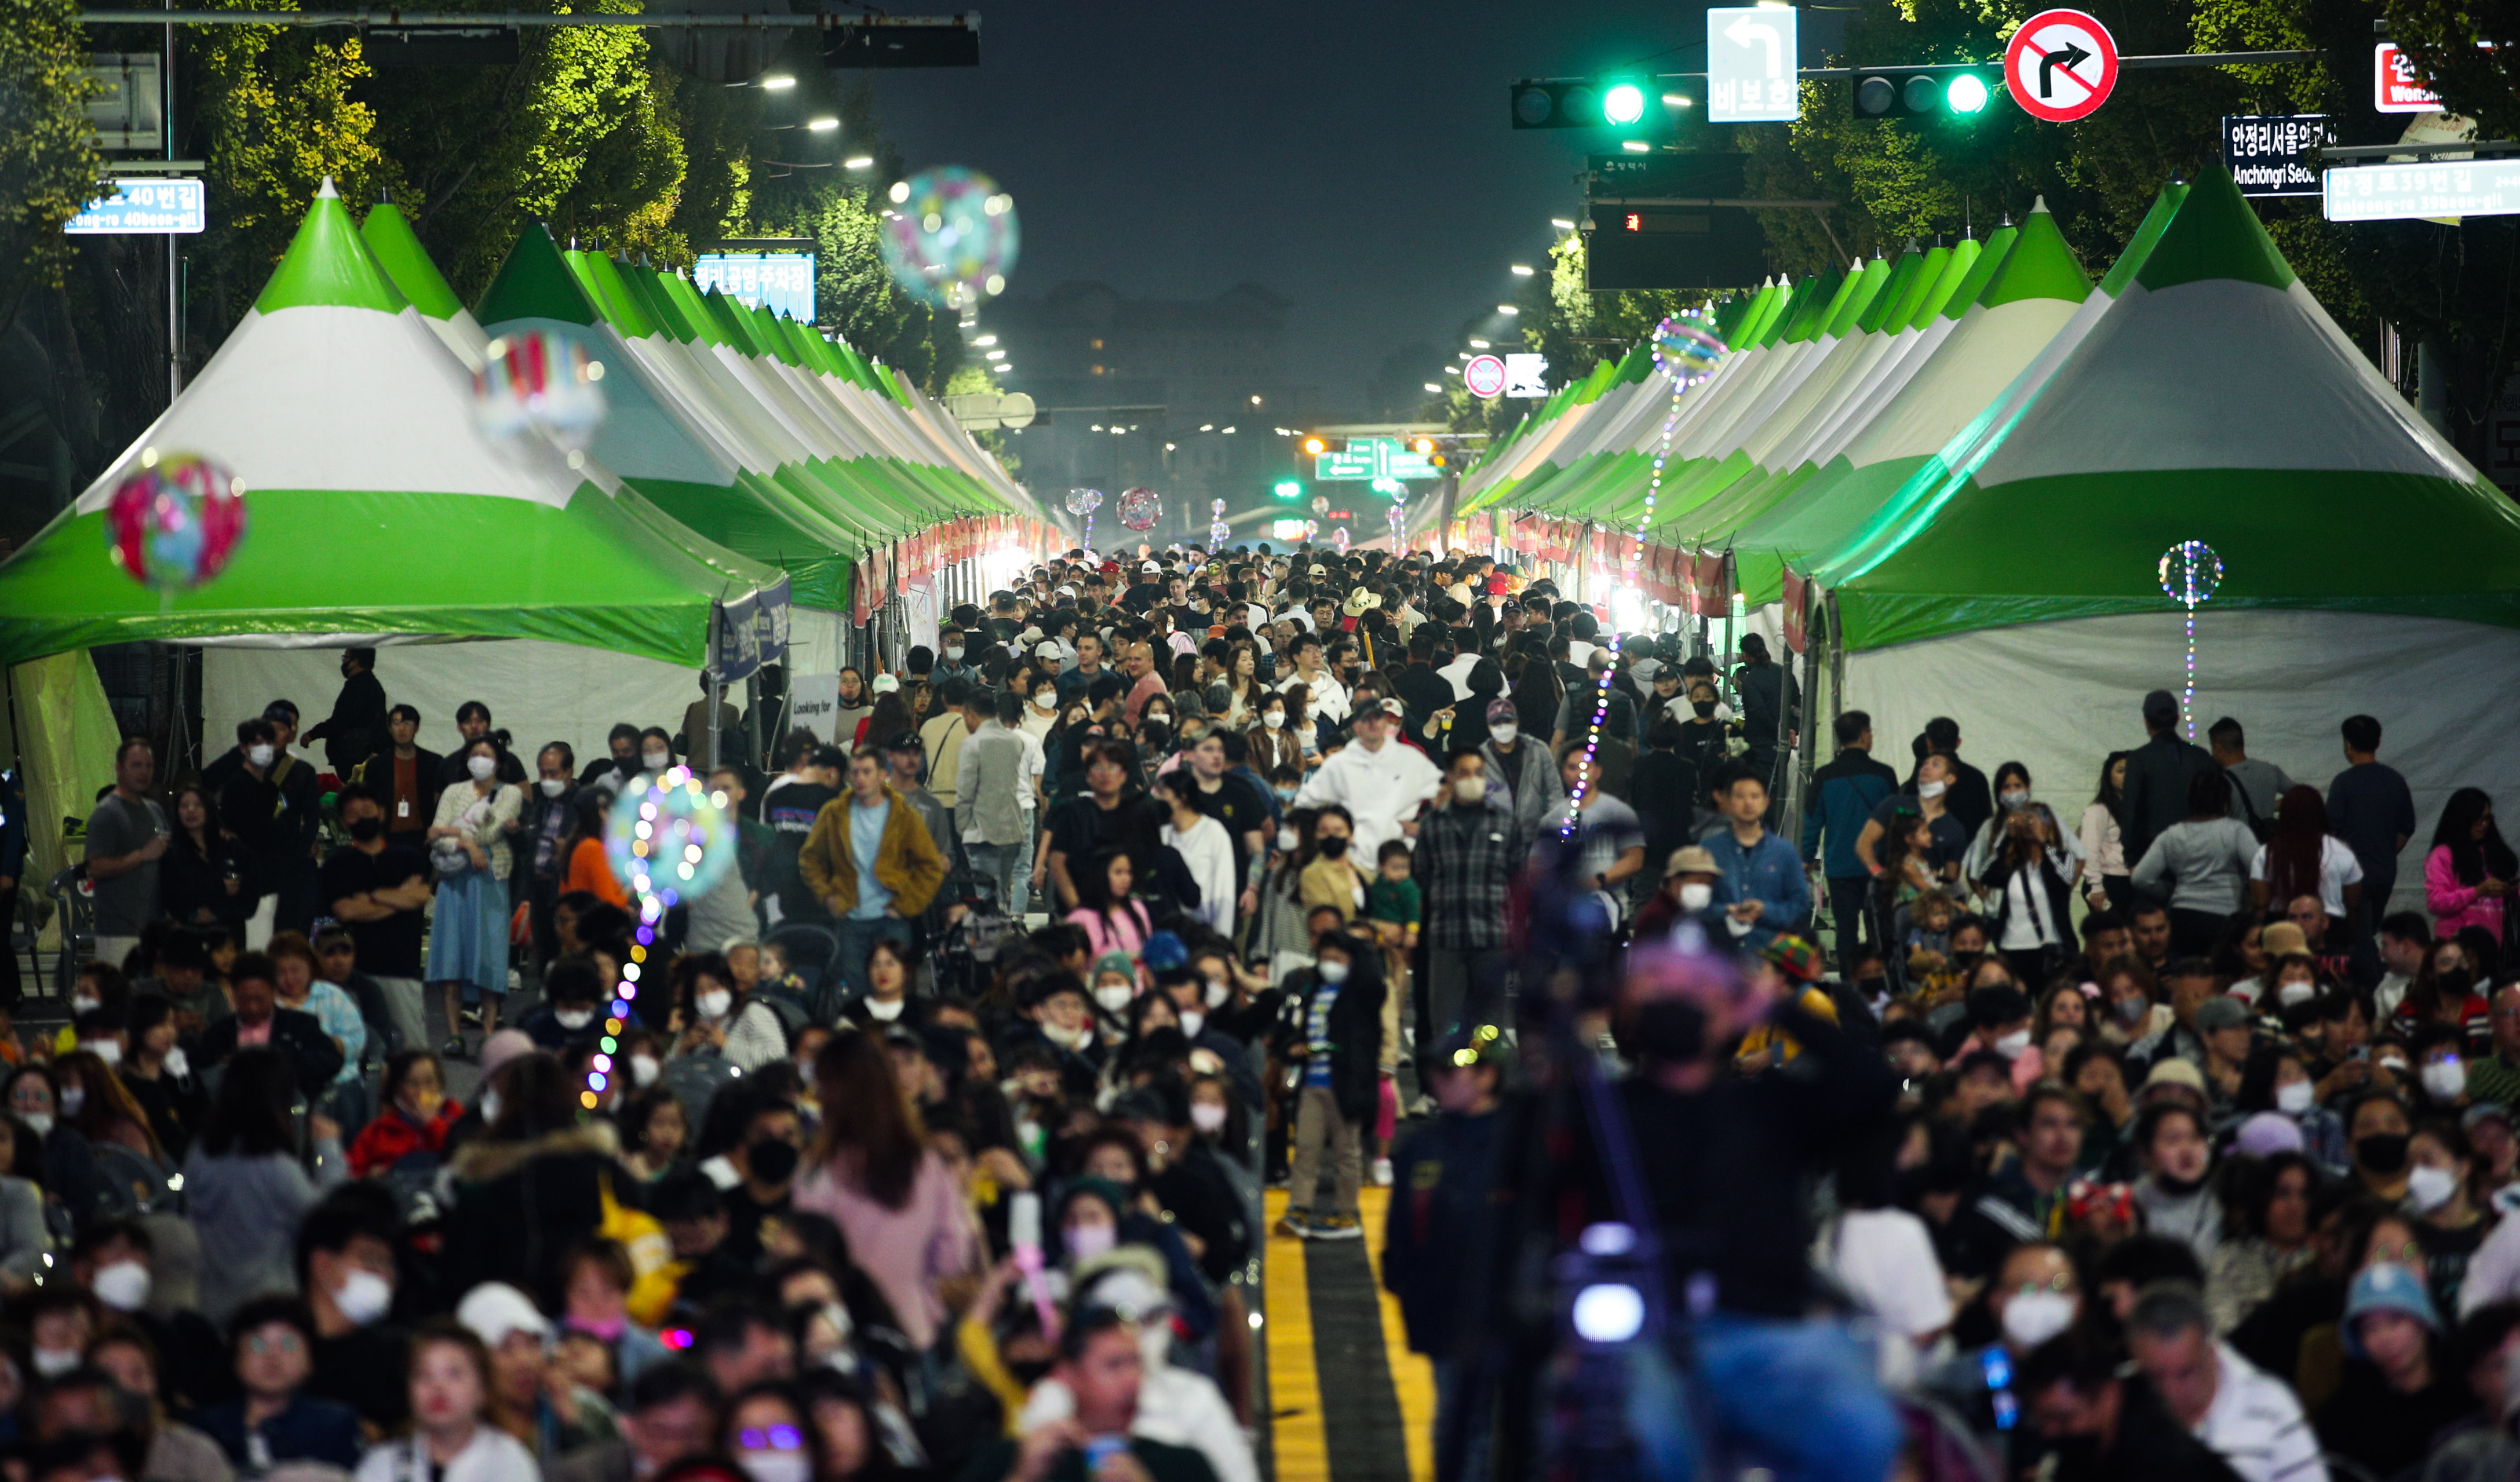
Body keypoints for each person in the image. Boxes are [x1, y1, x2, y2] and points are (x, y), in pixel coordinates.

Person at [789, 1031, 977, 1352]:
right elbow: (952, 1259)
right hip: (915, 1329)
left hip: (841, 1337)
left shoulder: (817, 1171)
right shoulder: (926, 1165)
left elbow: (807, 1262)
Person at [185, 1046, 347, 1327]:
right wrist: (328, 1149)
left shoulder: (200, 1153)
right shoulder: (273, 1164)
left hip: (210, 1302)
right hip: (268, 1307)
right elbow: (326, 1217)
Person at [964, 1308, 1223, 1482]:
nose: (1132, 1380)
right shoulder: (1014, 1459)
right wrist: (1021, 1478)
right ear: (1067, 1375)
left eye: (1137, 1363)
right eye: (1114, 1365)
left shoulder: (1183, 1465)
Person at [2124, 1280, 2326, 1482]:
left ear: (2211, 1353)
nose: (2170, 1392)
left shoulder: (2270, 1405)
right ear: (2136, 1361)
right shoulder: (2116, 1408)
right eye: (2155, 1378)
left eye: (2186, 1374)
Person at [797, 750, 947, 1002]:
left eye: (866, 772)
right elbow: (810, 859)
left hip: (891, 917)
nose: (860, 779)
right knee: (857, 995)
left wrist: (907, 905)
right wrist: (827, 896)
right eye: (854, 772)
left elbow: (930, 866)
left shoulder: (903, 815)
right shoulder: (835, 813)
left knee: (896, 995)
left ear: (882, 775)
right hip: (851, 917)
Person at [2021, 1327, 2250, 1481]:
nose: (2049, 1431)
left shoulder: (2165, 1463)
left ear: (2109, 1396)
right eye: (2042, 1419)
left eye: (2063, 1418)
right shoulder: (2094, 1442)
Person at [1274, 930, 1384, 1242]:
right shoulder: (1312, 993)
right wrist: (1295, 1047)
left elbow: (1375, 985)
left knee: (1346, 1153)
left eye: (1339, 958)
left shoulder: (1361, 995)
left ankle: (1346, 1213)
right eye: (1326, 958)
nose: (1330, 964)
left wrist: (1362, 950)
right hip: (1312, 1083)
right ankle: (1299, 1209)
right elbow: (1293, 1030)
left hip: (1345, 1088)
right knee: (1305, 1149)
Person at [426, 736, 524, 1056]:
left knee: (489, 954)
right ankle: (454, 1033)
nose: (480, 759)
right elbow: (434, 835)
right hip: (455, 881)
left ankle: (488, 1031)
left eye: (487, 754)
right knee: (451, 955)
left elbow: (489, 833)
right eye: (475, 754)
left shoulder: (509, 793)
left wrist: (452, 833)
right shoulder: (454, 791)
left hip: (491, 878)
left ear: (499, 761)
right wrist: (466, 844)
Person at [321, 786, 433, 1063]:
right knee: (360, 1053)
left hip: (402, 969)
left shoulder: (407, 856)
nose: (362, 818)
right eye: (353, 814)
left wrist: (372, 897)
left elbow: (420, 897)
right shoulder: (337, 863)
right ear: (344, 821)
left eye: (367, 811)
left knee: (411, 1055)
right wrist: (397, 897)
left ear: (382, 813)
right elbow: (346, 911)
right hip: (356, 973)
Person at [192, 1296, 363, 1470]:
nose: (273, 1357)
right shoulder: (204, 1429)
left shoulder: (334, 1425)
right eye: (258, 1344)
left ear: (310, 1359)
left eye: (287, 1344)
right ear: (235, 1357)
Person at [354, 1321, 540, 1482]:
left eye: (454, 1374)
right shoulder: (383, 1463)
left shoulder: (508, 1461)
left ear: (483, 1389)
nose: (438, 1387)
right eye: (424, 1375)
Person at [1804, 711, 1899, 975]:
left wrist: (1807, 858)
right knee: (1879, 930)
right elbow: (1898, 822)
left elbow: (1812, 822)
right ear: (1865, 735)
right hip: (1878, 868)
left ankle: (1850, 984)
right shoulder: (1884, 775)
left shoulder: (1824, 776)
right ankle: (1880, 983)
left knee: (1845, 931)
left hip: (1840, 868)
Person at [2132, 770, 2260, 957]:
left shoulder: (2172, 834)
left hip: (2182, 916)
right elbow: (2260, 868)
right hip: (2225, 916)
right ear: (2227, 799)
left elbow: (2140, 879)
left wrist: (2167, 890)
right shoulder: (2235, 830)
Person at [196, 952, 345, 1099]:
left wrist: (281, 1063)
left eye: (260, 1000)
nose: (253, 1008)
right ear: (233, 994)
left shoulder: (300, 1024)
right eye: (245, 1000)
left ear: (274, 992)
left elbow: (332, 1060)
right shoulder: (219, 1033)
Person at [2328, 713, 2417, 943]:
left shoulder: (2343, 783)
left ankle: (2364, 975)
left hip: (2351, 877)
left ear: (2348, 745)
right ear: (2378, 743)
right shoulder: (2396, 780)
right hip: (2385, 872)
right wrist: (2386, 851)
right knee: (2367, 933)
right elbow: (2407, 828)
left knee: (2354, 938)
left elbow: (2330, 830)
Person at [1702, 764, 1809, 952]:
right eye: (1740, 796)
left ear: (1766, 802)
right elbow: (1694, 906)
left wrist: (1765, 911)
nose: (1748, 803)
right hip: (1721, 958)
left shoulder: (1785, 852)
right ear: (1727, 803)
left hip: (1771, 957)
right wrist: (1726, 911)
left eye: (1755, 796)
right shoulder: (1708, 851)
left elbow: (1800, 905)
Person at [2121, 690, 2221, 882]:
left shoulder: (2139, 759)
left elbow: (2132, 812)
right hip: (2201, 854)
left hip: (2154, 856)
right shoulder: (2202, 757)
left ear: (2147, 721)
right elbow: (2218, 808)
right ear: (2177, 718)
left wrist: (2132, 859)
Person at [86, 738, 167, 970]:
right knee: (119, 1001)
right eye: (136, 765)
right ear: (119, 768)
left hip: (153, 930)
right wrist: (141, 856)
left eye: (148, 766)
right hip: (118, 932)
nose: (144, 772)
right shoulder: (108, 813)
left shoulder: (155, 810)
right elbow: (96, 867)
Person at [957, 689, 1037, 917]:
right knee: (1002, 891)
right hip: (1012, 828)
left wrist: (963, 828)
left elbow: (965, 792)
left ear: (971, 714)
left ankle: (991, 944)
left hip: (982, 830)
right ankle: (1007, 933)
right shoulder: (1014, 741)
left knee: (985, 894)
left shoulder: (972, 744)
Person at [2426, 787, 2514, 944]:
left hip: (2493, 945)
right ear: (2462, 819)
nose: (2484, 825)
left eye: (2487, 819)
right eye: (2477, 819)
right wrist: (2479, 891)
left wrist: (2512, 889)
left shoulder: (2492, 852)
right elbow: (2436, 902)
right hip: (2455, 945)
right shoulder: (2443, 855)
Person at [351, 704, 443, 844]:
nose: (402, 729)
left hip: (423, 837)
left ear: (417, 728)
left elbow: (440, 801)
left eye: (407, 723)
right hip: (386, 837)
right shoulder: (377, 765)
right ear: (389, 728)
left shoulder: (433, 762)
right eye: (396, 723)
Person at [306, 648, 390, 777]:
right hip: (360, 753)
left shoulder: (358, 687)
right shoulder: (371, 685)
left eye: (346, 657)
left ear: (356, 661)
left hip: (353, 755)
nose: (344, 661)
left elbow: (341, 721)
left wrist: (313, 734)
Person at [2208, 717, 2292, 836]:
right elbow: (2301, 795)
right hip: (2267, 848)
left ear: (2218, 748)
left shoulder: (2221, 782)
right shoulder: (2269, 770)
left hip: (2238, 849)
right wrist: (2273, 806)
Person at [2081, 751, 2132, 912]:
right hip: (2109, 881)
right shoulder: (2099, 809)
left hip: (2133, 881)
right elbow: (2089, 849)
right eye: (2120, 771)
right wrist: (2096, 886)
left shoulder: (2140, 807)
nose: (2127, 776)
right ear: (2108, 776)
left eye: (2132, 770)